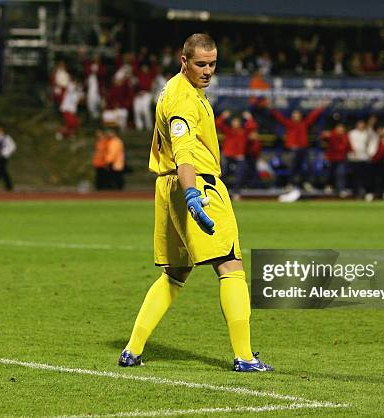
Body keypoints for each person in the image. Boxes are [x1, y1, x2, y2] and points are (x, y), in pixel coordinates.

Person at [119, 33, 273, 372]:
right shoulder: (183, 99)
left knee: (175, 272)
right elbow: (183, 148)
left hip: (167, 185)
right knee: (231, 266)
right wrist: (192, 194)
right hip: (197, 183)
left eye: (212, 64)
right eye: (201, 64)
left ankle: (132, 349)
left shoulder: (175, 89)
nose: (207, 71)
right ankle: (245, 357)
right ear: (183, 60)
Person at [271, 101, 327, 202]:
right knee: (292, 168)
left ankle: (306, 183)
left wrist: (321, 107)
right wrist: (271, 108)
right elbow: (279, 117)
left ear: (300, 116)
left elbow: (312, 116)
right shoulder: (289, 123)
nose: (296, 116)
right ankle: (291, 185)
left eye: (297, 115)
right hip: (293, 149)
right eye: (294, 115)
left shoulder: (304, 124)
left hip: (303, 149)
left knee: (307, 166)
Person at [215, 110, 257, 199]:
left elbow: (253, 127)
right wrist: (223, 116)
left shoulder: (243, 131)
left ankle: (236, 192)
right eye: (234, 121)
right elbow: (217, 124)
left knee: (240, 174)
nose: (235, 123)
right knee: (223, 174)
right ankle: (218, 192)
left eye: (237, 122)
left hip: (239, 156)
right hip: (227, 155)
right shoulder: (228, 130)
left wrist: (249, 118)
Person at [321, 123, 352, 197]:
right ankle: (328, 187)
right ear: (336, 129)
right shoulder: (332, 134)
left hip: (341, 158)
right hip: (331, 158)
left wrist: (351, 151)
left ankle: (341, 190)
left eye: (342, 129)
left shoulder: (345, 136)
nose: (341, 130)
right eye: (339, 129)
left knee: (340, 174)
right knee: (330, 174)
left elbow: (348, 146)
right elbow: (324, 138)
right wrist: (324, 135)